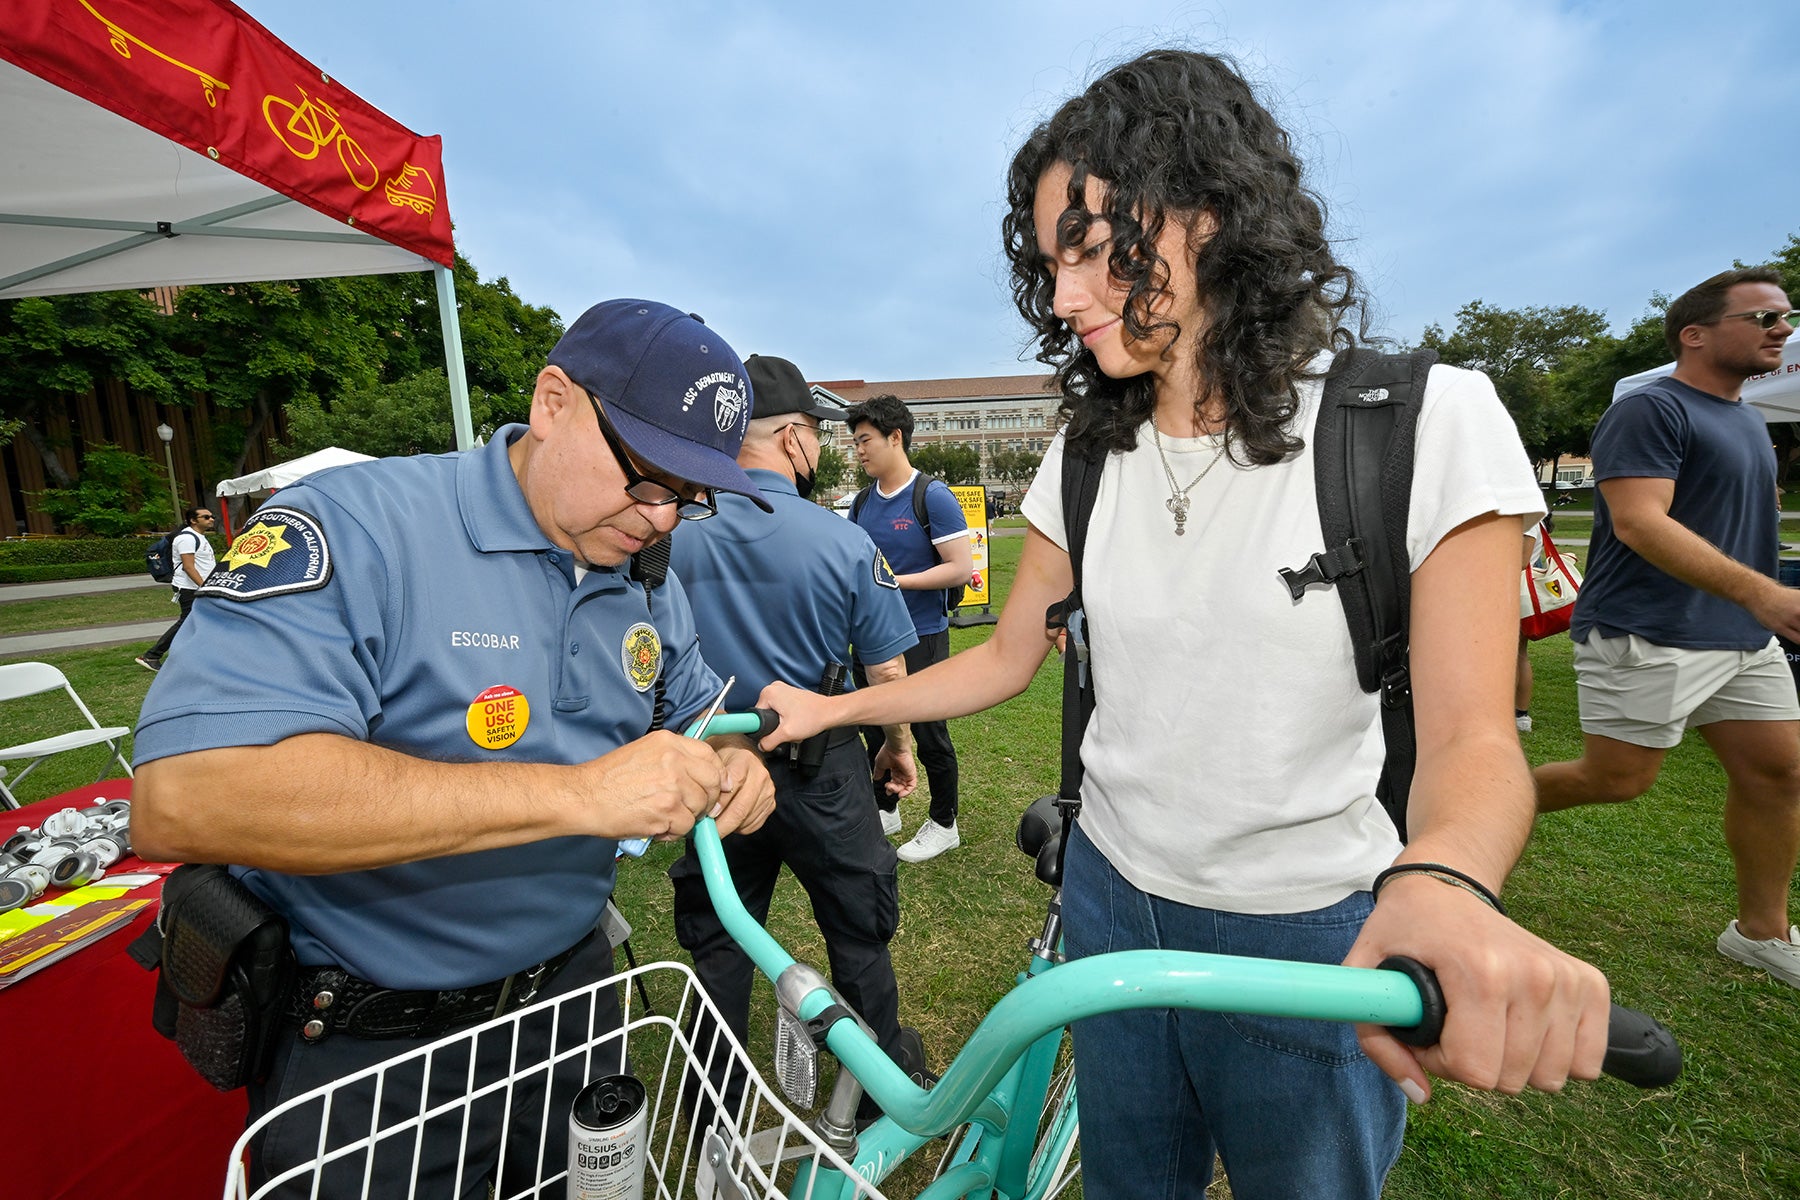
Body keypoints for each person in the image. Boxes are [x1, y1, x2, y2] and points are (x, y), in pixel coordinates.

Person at [756, 49, 1610, 1199]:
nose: (1061, 298)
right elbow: (1009, 655)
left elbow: (1474, 740)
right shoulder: (1086, 451)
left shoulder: (1424, 422)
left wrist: (1446, 883)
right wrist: (838, 706)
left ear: (1205, 215)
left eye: (1091, 249)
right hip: (1108, 906)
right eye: (1049, 263)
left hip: (1311, 935)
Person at [130, 299, 778, 1196]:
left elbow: (693, 711)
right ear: (553, 403)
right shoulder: (358, 526)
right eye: (646, 477)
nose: (661, 519)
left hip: (575, 1014)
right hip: (377, 1058)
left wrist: (731, 763)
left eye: (689, 497)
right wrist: (579, 796)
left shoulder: (640, 569)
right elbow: (191, 795)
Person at [666, 352, 927, 1122]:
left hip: (715, 766)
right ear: (791, 439)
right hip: (824, 771)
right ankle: (875, 1090)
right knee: (856, 931)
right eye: (816, 435)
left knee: (720, 933)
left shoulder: (669, 536)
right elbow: (886, 674)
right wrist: (898, 746)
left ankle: (710, 1099)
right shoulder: (841, 541)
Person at [1534, 268, 1800, 988]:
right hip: (1650, 629)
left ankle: (1761, 933)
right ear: (1696, 333)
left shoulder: (1748, 417)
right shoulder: (1651, 410)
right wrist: (1764, 593)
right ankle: (1450, 814)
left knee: (1781, 773)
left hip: (1742, 637)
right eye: (1764, 318)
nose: (1782, 328)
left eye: (1785, 316)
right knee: (1614, 780)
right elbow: (1640, 522)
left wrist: (1755, 604)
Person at [845, 395, 973, 861]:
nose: (858, 451)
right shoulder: (861, 502)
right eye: (854, 442)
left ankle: (944, 822)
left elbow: (960, 568)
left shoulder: (931, 496)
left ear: (895, 437)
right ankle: (887, 806)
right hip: (871, 638)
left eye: (865, 440)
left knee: (928, 731)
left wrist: (897, 582)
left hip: (921, 633)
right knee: (877, 725)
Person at [135, 504, 216, 672]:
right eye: (206, 517)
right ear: (193, 520)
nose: (211, 519)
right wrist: (204, 587)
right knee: (187, 622)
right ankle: (152, 656)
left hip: (197, 587)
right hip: (190, 588)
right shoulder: (186, 538)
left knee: (200, 622)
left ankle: (197, 655)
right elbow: (188, 567)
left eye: (211, 516)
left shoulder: (198, 536)